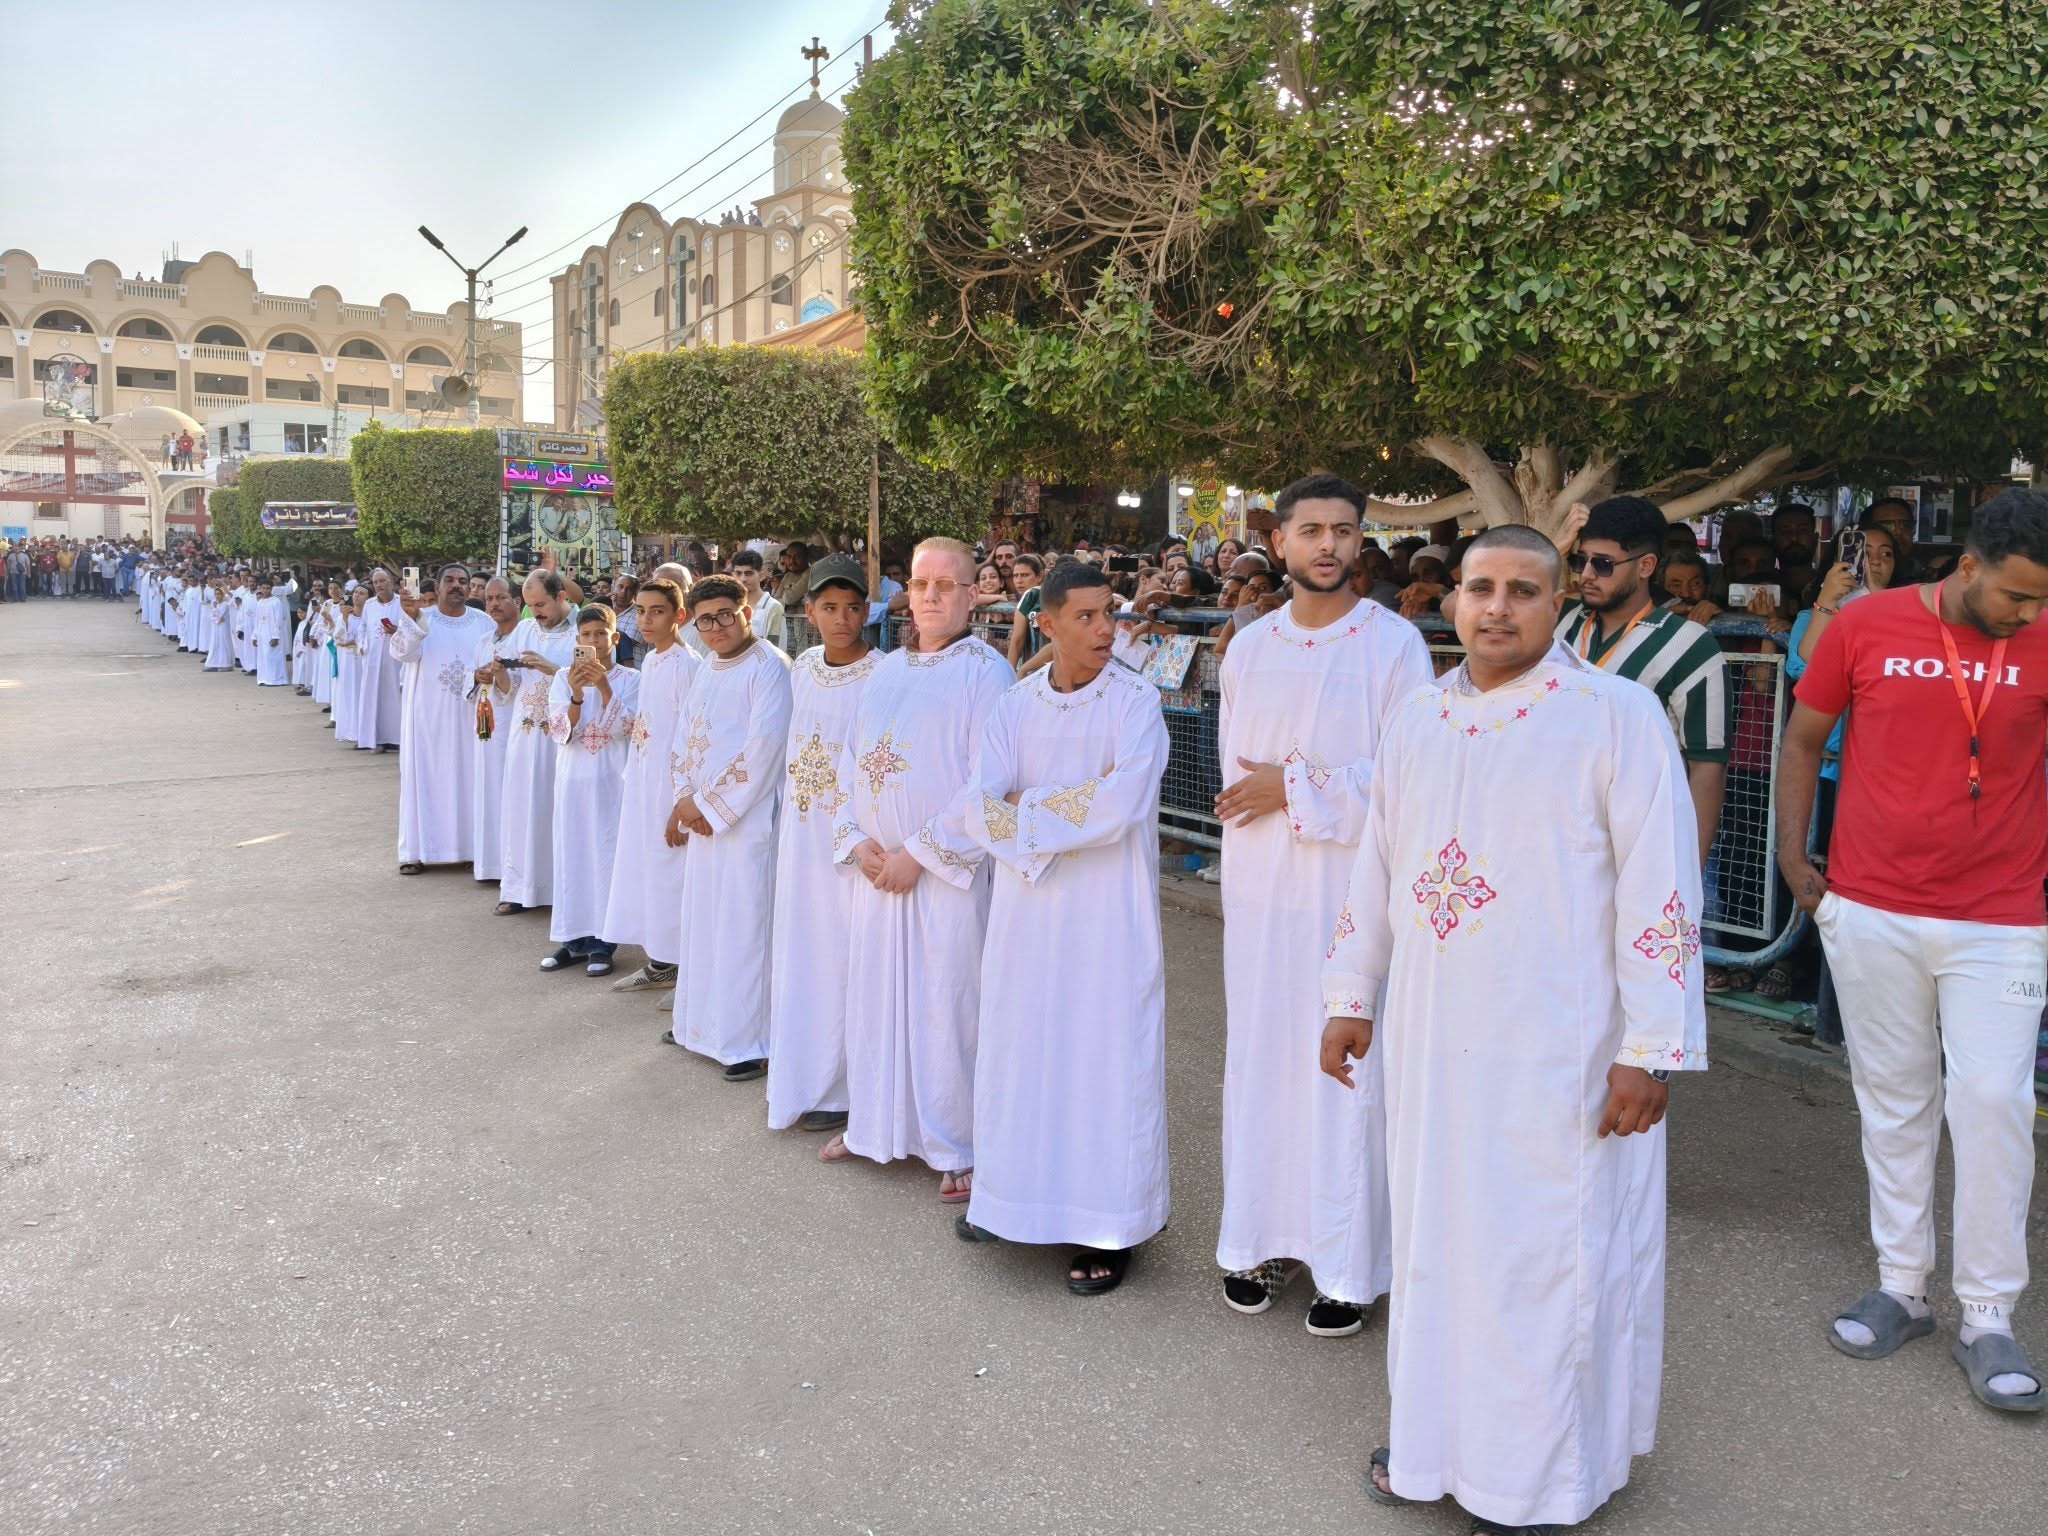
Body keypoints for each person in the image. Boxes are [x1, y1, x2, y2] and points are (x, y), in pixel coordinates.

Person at [1322, 523, 1706, 1532]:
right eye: (1478, 587)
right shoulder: (1417, 719)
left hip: (1560, 1051)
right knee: (1438, 1246)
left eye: (1521, 591)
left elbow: (1660, 888)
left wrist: (1650, 1049)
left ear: (1557, 603)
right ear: (1452, 598)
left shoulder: (1611, 715)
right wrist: (1349, 994)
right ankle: (1438, 1446)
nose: (1495, 607)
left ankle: (1534, 1483)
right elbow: (1378, 869)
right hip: (1433, 1044)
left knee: (1546, 1256)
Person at [1777, 487, 2048, 1414]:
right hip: (1872, 906)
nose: (2028, 614)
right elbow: (1805, 731)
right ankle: (1902, 1286)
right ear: (1967, 568)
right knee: (1894, 1099)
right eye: (2016, 597)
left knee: (1995, 1099)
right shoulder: (1869, 624)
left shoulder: (2047, 633)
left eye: (2042, 601)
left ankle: (1988, 1312)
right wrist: (1790, 855)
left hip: (2002, 914)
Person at [1212, 472, 1435, 1334]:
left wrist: (1294, 787)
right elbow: (1239, 774)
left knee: (1346, 1066)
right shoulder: (1250, 646)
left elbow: (1408, 774)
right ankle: (1259, 1241)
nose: (1329, 546)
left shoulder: (1393, 647)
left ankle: (1347, 1262)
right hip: (1263, 889)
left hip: (1351, 892)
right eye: (1312, 531)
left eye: (1344, 530)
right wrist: (1266, 793)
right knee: (1265, 1057)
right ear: (1281, 542)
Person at [955, 560, 1172, 1294]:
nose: (1106, 628)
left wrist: (1029, 808)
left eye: (1109, 612)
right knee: (1023, 1053)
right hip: (1025, 918)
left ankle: (1109, 1224)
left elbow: (1123, 803)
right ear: (1046, 624)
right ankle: (1013, 1201)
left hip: (1107, 918)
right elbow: (975, 807)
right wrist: (1035, 814)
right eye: (1085, 617)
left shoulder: (1136, 703)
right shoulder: (1013, 708)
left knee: (1102, 1059)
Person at [824, 538, 1013, 1199]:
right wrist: (858, 841)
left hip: (941, 879)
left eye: (946, 585)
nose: (931, 596)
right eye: (921, 583)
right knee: (873, 997)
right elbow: (851, 762)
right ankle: (875, 1124)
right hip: (878, 871)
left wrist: (920, 855)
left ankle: (957, 1144)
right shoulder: (886, 670)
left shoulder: (986, 673)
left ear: (971, 595)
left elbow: (990, 782)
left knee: (946, 1005)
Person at [663, 575, 793, 1078]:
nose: (716, 627)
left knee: (746, 928)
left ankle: (749, 1041)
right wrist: (683, 800)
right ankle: (701, 1027)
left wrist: (709, 807)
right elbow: (683, 738)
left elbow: (764, 749)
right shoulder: (709, 668)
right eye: (705, 620)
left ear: (747, 612)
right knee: (706, 922)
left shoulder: (770, 669)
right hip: (705, 820)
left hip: (748, 823)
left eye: (725, 615)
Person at [767, 555, 880, 1131]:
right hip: (801, 836)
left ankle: (847, 1087)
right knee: (803, 949)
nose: (842, 619)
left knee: (845, 952)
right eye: (829, 607)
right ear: (808, 612)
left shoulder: (884, 673)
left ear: (868, 609)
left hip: (850, 841)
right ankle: (805, 1077)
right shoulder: (803, 667)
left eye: (853, 607)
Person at [1555, 496, 1730, 864]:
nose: (1585, 574)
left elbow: (1707, 766)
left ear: (1647, 566)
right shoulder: (1561, 622)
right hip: (1551, 839)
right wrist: (1554, 546)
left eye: (1602, 564)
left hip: (1637, 847)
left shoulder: (1693, 646)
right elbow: (1464, 606)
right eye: (1579, 560)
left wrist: (1686, 877)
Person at [601, 579, 698, 992]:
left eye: (656, 611)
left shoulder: (687, 664)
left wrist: (681, 803)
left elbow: (692, 738)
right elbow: (644, 727)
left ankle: (677, 965)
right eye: (640, 611)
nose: (645, 619)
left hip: (670, 790)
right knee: (649, 871)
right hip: (644, 782)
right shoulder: (653, 662)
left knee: (670, 872)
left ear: (679, 616)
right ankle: (659, 960)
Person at [536, 604, 639, 976]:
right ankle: (573, 940)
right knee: (573, 856)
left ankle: (604, 942)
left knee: (606, 856)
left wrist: (604, 686)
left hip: (612, 783)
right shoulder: (563, 678)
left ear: (614, 638)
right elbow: (560, 732)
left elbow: (628, 727)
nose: (593, 642)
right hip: (573, 783)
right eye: (586, 636)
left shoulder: (631, 679)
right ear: (576, 640)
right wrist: (578, 695)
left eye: (600, 635)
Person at [388, 565, 494, 876]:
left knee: (470, 777)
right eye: (450, 581)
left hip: (470, 715)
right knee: (425, 778)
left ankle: (473, 850)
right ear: (438, 585)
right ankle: (416, 852)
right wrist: (408, 619)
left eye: (463, 581)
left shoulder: (483, 622)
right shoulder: (423, 617)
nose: (457, 586)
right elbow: (401, 654)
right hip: (428, 718)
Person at [494, 570, 580, 916]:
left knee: (558, 809)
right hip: (526, 734)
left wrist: (552, 668)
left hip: (563, 736)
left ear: (561, 596)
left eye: (541, 604)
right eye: (530, 605)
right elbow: (512, 684)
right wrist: (499, 672)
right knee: (521, 806)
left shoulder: (581, 629)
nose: (535, 612)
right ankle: (518, 888)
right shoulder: (526, 628)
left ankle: (562, 888)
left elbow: (592, 678)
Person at [468, 578, 525, 887]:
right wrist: (476, 675)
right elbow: (470, 678)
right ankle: (490, 862)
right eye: (490, 598)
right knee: (488, 790)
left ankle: (512, 866)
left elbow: (521, 687)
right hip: (485, 726)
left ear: (518, 601)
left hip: (514, 723)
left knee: (510, 792)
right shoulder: (483, 640)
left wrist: (501, 675)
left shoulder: (525, 637)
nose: (494, 603)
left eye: (502, 597)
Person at [351, 568, 407, 752]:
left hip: (396, 660)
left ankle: (398, 738)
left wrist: (397, 631)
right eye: (376, 582)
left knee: (396, 697)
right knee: (375, 697)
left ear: (391, 582)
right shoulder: (369, 605)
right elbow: (363, 627)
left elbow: (410, 628)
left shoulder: (402, 602)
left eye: (382, 581)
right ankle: (378, 738)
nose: (379, 585)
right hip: (373, 660)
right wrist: (362, 646)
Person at [729, 549, 787, 650]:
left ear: (761, 576)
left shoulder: (773, 607)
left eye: (749, 573)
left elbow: (777, 650)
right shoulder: (730, 606)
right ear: (733, 576)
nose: (743, 579)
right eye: (738, 573)